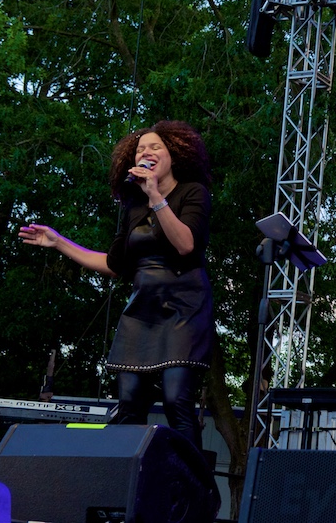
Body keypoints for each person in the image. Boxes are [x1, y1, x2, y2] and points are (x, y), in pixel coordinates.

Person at [19, 120, 215, 451]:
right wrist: (59, 242)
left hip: (184, 306)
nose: (146, 152)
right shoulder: (133, 205)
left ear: (174, 155)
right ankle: (128, 477)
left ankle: (189, 479)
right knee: (129, 404)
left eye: (155, 147)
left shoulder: (192, 192)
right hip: (142, 309)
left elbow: (185, 245)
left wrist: (155, 195)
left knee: (176, 400)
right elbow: (114, 265)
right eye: (140, 149)